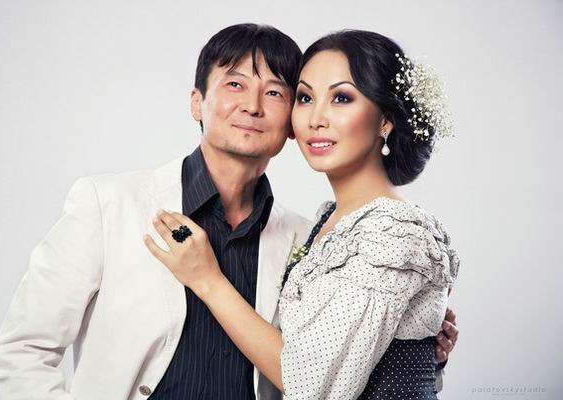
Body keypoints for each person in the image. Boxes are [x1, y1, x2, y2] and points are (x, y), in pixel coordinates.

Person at [0, 24, 458, 400]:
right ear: (197, 101)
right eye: (235, 84)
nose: (252, 106)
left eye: (275, 93)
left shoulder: (307, 237)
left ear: (288, 123)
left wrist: (411, 351)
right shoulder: (109, 203)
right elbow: (23, 350)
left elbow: (319, 370)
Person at [143, 29, 460, 399]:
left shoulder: (390, 234)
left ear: (385, 120)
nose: (315, 118)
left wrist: (207, 280)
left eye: (341, 98)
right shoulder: (328, 222)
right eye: (306, 98)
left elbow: (309, 385)